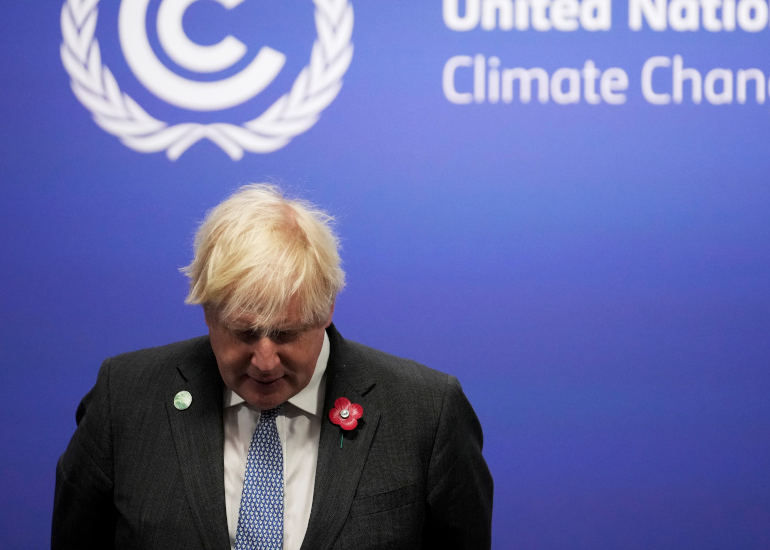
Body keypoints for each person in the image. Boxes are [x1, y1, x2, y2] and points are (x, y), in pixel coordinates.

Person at [52, 184, 493, 549]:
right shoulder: (125, 399)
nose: (264, 361)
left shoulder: (425, 413)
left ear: (327, 311)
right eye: (244, 334)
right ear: (208, 314)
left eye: (285, 334)